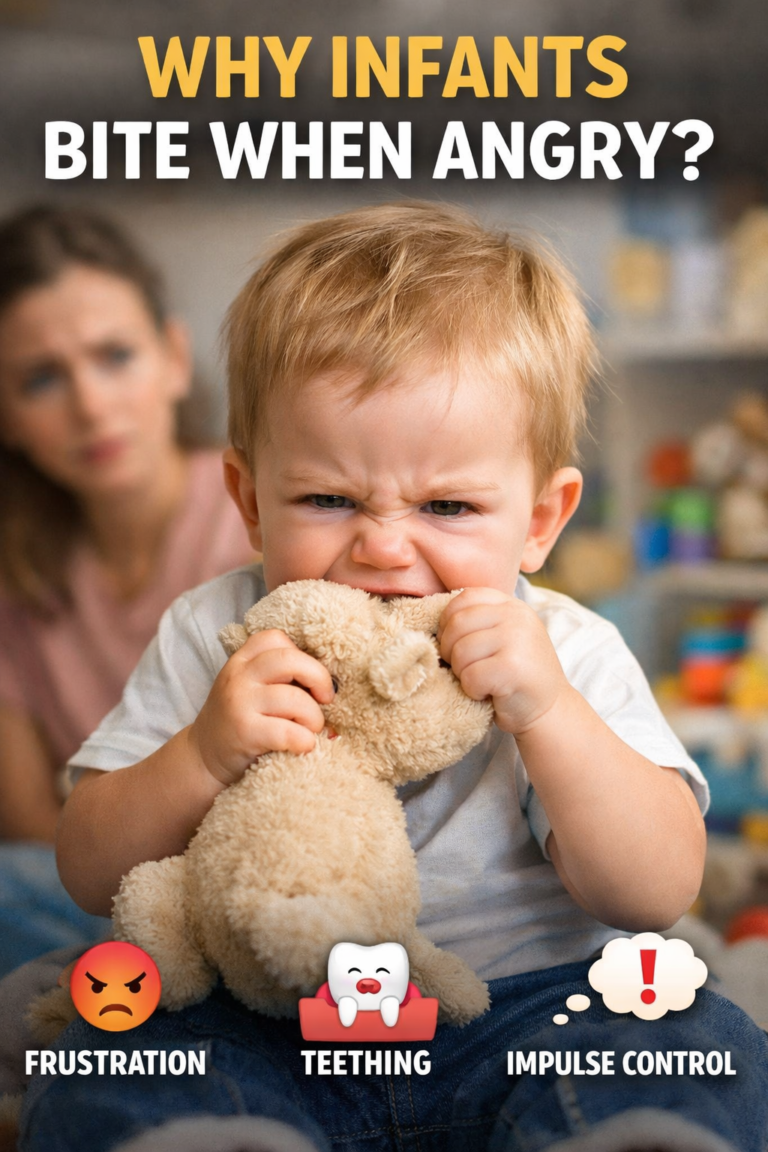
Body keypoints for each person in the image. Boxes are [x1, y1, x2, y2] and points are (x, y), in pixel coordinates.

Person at [22, 203, 768, 1152]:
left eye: (449, 505)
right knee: (110, 1054)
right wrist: (203, 754)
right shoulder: (216, 632)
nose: (382, 547)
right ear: (250, 500)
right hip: (269, 1027)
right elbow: (89, 869)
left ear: (541, 519)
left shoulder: (562, 648)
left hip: (522, 1016)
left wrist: (549, 715)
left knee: (696, 1042)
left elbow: (656, 888)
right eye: (328, 499)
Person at [0, 205, 253, 974]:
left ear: (175, 358)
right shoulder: (16, 577)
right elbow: (35, 828)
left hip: (260, 881)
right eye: (41, 378)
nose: (90, 404)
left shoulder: (273, 513)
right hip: (98, 892)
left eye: (115, 355)